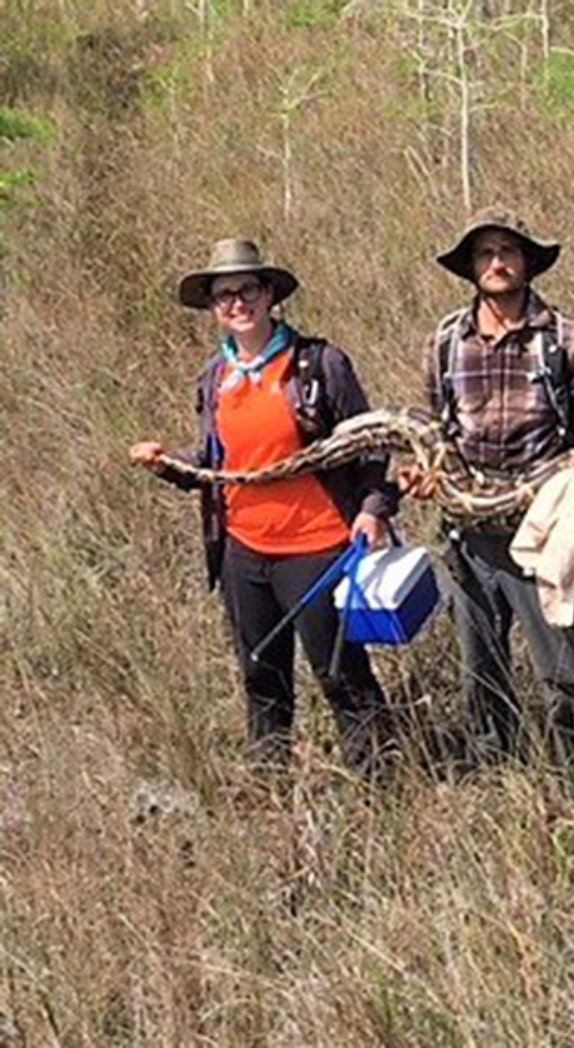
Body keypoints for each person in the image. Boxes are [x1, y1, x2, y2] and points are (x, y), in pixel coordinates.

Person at [130, 239, 397, 780]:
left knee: (339, 672)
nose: (237, 302)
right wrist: (168, 464)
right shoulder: (215, 378)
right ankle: (270, 787)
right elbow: (216, 462)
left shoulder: (319, 363)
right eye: (224, 294)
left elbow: (372, 443)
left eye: (248, 289)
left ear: (270, 293)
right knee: (260, 674)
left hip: (318, 547)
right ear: (212, 307)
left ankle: (383, 787)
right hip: (243, 552)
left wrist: (373, 508)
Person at [404, 208, 574, 835]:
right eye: (484, 254)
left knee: (567, 676)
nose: (497, 263)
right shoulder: (446, 340)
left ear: (527, 262)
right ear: (471, 269)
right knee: (482, 677)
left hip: (545, 537)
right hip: (468, 537)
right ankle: (498, 803)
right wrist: (425, 477)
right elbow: (434, 435)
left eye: (508, 251)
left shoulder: (567, 339)